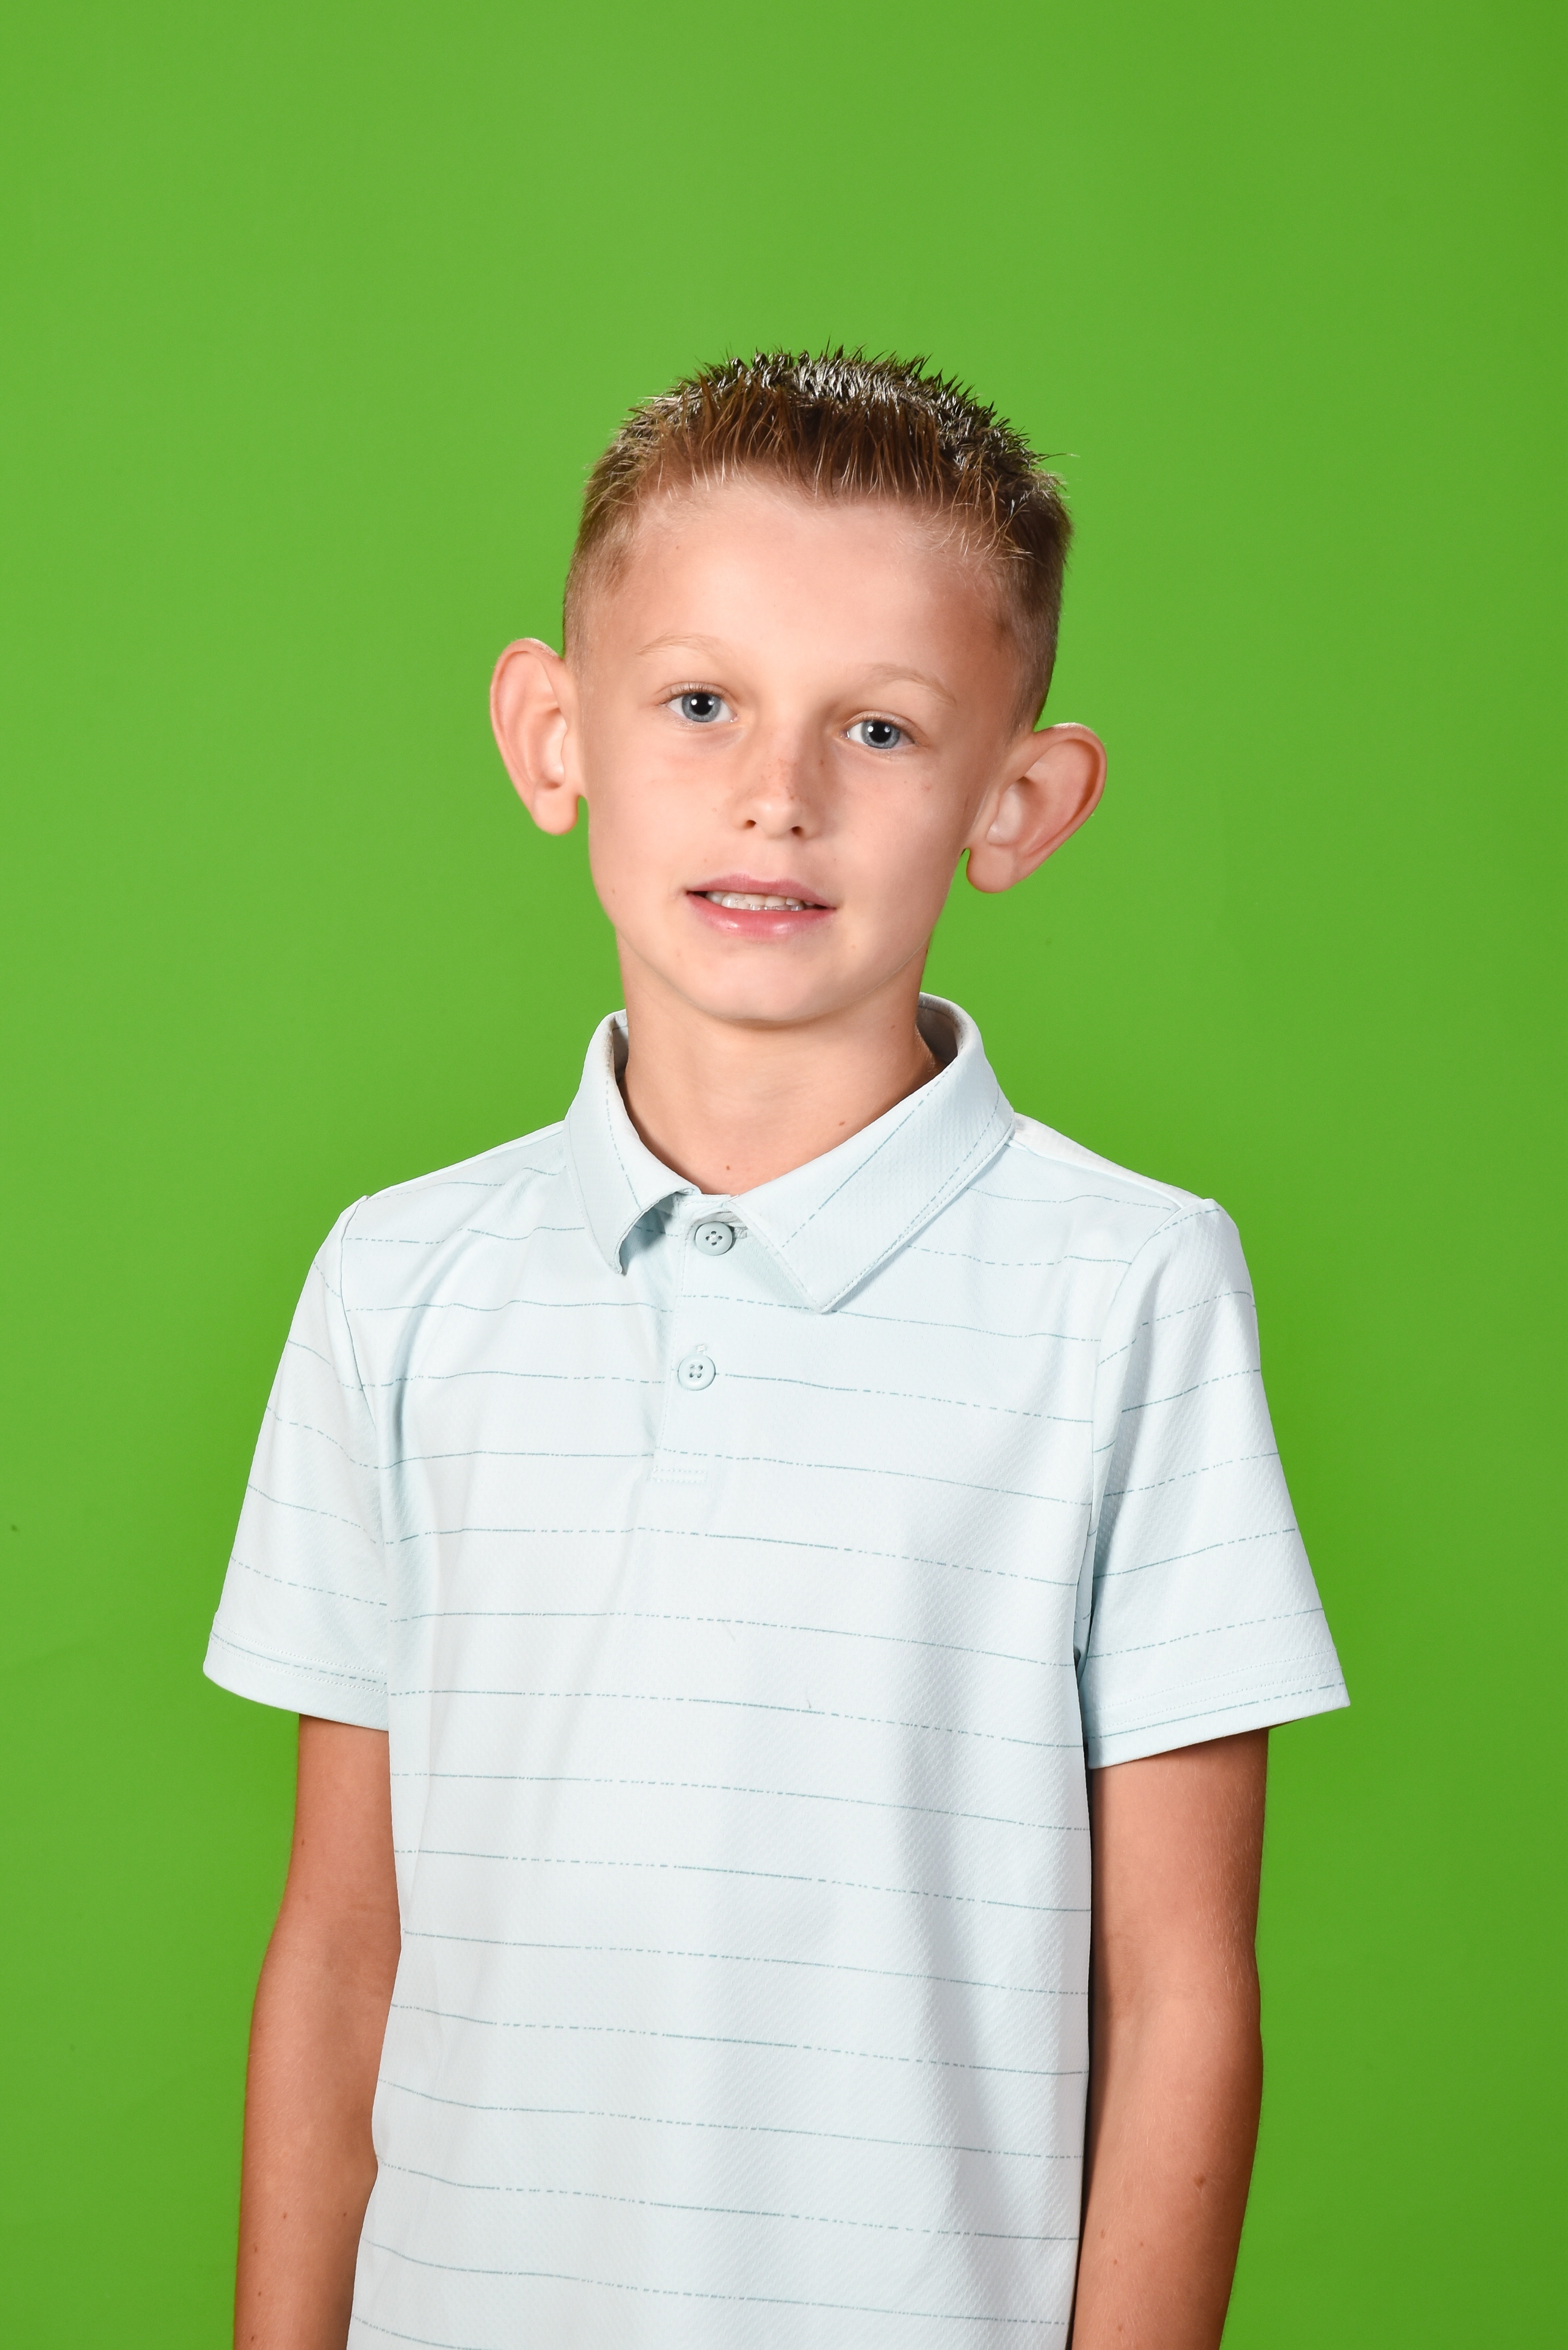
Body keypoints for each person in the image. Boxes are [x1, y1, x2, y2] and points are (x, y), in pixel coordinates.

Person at [206, 350, 1347, 2349]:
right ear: (553, 734)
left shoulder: (1131, 1291)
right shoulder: (396, 1286)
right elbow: (340, 1951)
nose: (778, 796)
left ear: (1018, 802)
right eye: (701, 702)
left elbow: (1180, 1987)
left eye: (879, 728)